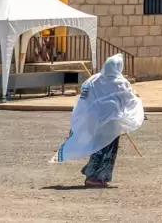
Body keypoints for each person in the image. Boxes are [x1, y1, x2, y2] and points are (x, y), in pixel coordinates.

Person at [56, 54, 143, 188]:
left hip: (95, 121)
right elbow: (129, 100)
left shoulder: (94, 80)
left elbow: (84, 97)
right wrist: (136, 99)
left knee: (98, 146)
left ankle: (93, 172)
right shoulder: (120, 82)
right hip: (111, 122)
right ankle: (96, 176)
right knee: (108, 149)